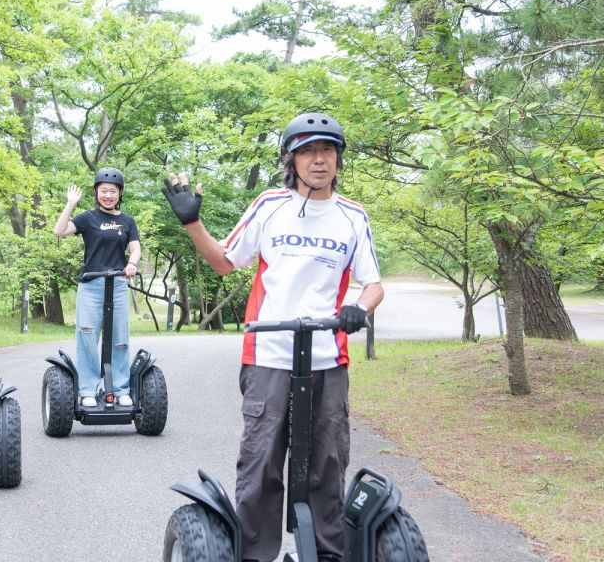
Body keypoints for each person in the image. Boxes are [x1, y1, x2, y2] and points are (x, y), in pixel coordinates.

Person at [161, 113, 382, 562]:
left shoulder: (353, 216)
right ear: (292, 159)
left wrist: (361, 308)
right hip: (269, 352)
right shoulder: (269, 205)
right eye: (308, 151)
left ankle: (324, 555)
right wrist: (192, 224)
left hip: (328, 356)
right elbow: (225, 262)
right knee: (261, 462)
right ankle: (255, 556)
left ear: (338, 159)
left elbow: (373, 283)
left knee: (327, 463)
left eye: (327, 151)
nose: (319, 160)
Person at [53, 168, 142, 408]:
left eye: (113, 191)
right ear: (96, 192)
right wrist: (70, 204)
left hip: (119, 284)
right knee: (88, 336)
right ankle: (88, 389)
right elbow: (59, 231)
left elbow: (135, 248)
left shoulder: (127, 221)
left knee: (120, 338)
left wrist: (132, 264)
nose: (108, 195)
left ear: (120, 194)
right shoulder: (88, 218)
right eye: (103, 191)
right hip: (91, 284)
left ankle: (120, 387)